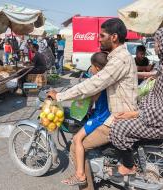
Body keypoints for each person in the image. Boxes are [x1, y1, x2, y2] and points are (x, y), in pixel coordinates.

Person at [48, 18, 138, 190]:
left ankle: (83, 181)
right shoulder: (120, 57)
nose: (99, 39)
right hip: (118, 114)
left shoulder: (120, 59)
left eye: (102, 35)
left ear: (114, 37)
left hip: (117, 119)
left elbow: (93, 84)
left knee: (76, 144)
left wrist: (60, 96)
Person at [109, 27, 163, 183]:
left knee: (118, 127)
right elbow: (155, 75)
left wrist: (134, 114)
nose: (156, 45)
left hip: (157, 121)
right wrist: (132, 73)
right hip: (152, 111)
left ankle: (129, 165)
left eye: (158, 42)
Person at [62, 52, 110, 186]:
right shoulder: (108, 77)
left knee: (77, 139)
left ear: (98, 68)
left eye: (92, 66)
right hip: (103, 114)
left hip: (100, 118)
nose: (91, 69)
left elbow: (89, 96)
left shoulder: (99, 81)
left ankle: (80, 175)